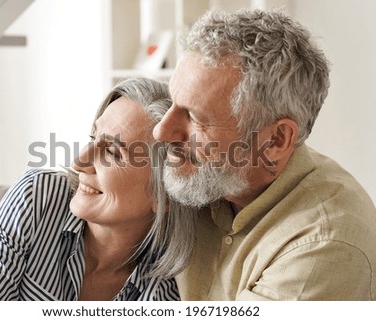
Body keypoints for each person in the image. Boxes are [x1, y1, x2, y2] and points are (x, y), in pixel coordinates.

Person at [153, 9, 376, 300]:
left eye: (195, 118)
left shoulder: (326, 243)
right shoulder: (204, 175)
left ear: (275, 140)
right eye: (172, 102)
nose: (161, 131)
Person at [0, 77, 197, 301]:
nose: (79, 161)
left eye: (111, 152)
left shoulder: (166, 290)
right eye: (92, 138)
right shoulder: (38, 195)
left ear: (162, 192)